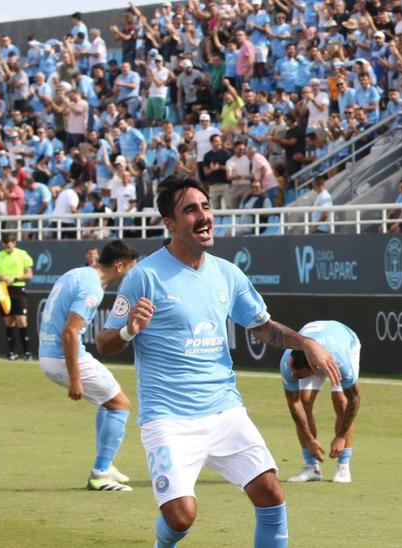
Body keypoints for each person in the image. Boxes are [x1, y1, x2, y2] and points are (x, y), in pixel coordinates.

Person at [97, 177, 343, 548]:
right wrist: (130, 330)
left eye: (206, 207)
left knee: (271, 493)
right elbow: (104, 342)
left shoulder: (227, 273)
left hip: (224, 411)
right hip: (169, 418)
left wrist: (305, 342)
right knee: (180, 518)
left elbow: (263, 328)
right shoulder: (143, 276)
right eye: (191, 210)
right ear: (170, 223)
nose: (203, 216)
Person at [38, 240, 141, 491]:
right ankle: (100, 473)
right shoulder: (92, 288)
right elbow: (70, 333)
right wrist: (75, 379)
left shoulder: (77, 273)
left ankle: (106, 463)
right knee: (120, 404)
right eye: (130, 269)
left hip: (49, 353)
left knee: (109, 400)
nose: (131, 275)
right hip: (63, 356)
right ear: (119, 266)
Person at [280, 321, 362, 484]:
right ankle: (312, 468)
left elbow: (354, 398)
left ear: (314, 368)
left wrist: (340, 437)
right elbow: (294, 404)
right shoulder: (287, 364)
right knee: (304, 401)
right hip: (313, 347)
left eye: (300, 375)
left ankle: (343, 466)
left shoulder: (340, 362)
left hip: (344, 342)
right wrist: (309, 439)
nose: (293, 377)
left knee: (341, 402)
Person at [0, 233, 34, 360]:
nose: (7, 248)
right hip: (3, 289)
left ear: (14, 243)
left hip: (18, 288)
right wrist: (3, 277)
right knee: (8, 321)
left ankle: (27, 352)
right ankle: (12, 352)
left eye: (9, 245)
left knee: (22, 320)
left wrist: (14, 278)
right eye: (5, 245)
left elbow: (29, 275)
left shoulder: (22, 254)